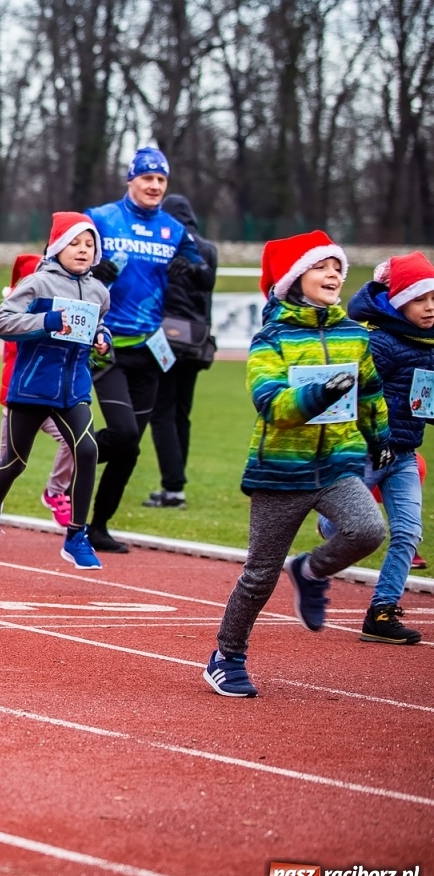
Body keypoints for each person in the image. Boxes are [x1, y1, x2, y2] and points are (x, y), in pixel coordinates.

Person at [204, 232, 390, 698]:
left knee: (369, 530)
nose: (333, 275)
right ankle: (226, 656)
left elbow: (369, 393)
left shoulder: (354, 335)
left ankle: (309, 571)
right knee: (259, 575)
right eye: (320, 267)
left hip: (336, 466)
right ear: (293, 279)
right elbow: (271, 404)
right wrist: (318, 395)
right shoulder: (272, 338)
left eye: (337, 268)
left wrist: (379, 436)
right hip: (280, 471)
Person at [84, 147, 209, 552]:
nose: (155, 186)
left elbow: (204, 271)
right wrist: (91, 270)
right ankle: (77, 456)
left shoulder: (173, 229)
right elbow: (60, 259)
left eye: (161, 180)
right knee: (122, 433)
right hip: (105, 343)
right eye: (147, 178)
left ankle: (98, 527)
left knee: (130, 445)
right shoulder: (101, 218)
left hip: (151, 348)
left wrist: (190, 268)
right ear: (130, 180)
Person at [0, 213, 111, 569]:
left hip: (74, 389)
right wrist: (45, 322)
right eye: (75, 243)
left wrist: (102, 340)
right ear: (59, 247)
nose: (83, 251)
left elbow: (100, 327)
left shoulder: (99, 292)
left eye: (89, 244)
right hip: (33, 388)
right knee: (14, 463)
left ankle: (76, 536)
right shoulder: (38, 284)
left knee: (88, 449)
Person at [314, 253, 434, 645]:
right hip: (366, 451)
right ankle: (327, 521)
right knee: (343, 526)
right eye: (420, 299)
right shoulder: (378, 344)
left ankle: (382, 612)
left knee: (407, 533)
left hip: (403, 454)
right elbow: (353, 397)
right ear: (399, 302)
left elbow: (424, 402)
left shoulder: (431, 345)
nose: (430, 307)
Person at [0, 254, 78, 537]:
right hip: (21, 399)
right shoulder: (18, 320)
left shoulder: (57, 314)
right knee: (7, 459)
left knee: (76, 442)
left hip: (54, 398)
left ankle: (55, 491)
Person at [144, 194, 219, 508]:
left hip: (164, 339)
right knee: (182, 414)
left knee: (162, 412)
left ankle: (173, 488)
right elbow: (207, 294)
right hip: (195, 340)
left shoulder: (164, 244)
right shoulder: (207, 249)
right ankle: (176, 486)